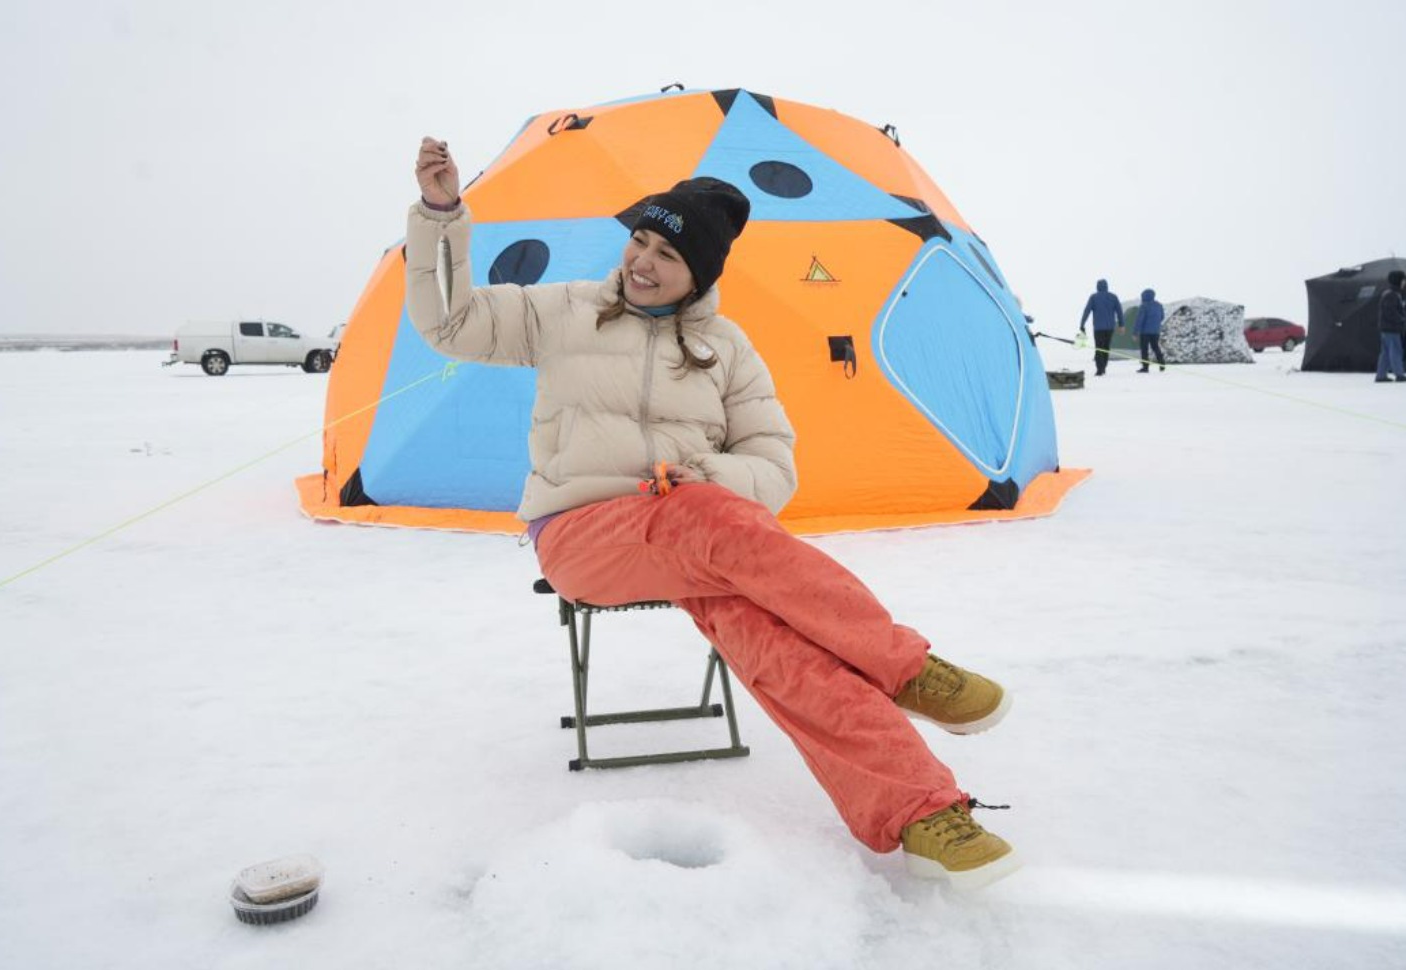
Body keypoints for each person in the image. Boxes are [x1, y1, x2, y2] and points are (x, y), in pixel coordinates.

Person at [406, 137, 1019, 890]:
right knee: (704, 520)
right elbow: (449, 322)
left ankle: (924, 811)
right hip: (581, 535)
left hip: (699, 539)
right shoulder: (562, 312)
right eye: (640, 239)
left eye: (667, 253)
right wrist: (441, 214)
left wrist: (701, 472)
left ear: (699, 275)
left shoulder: (727, 348)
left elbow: (774, 465)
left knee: (776, 641)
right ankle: (904, 666)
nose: (642, 261)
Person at [1078, 279, 1123, 375]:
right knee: (1106, 348)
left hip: (1098, 328)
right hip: (1110, 327)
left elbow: (1087, 311)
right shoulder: (1113, 297)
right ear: (1107, 286)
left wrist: (1082, 324)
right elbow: (1119, 311)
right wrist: (1121, 325)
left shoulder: (1094, 297)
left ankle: (1100, 369)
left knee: (1099, 348)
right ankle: (1103, 367)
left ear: (1097, 286)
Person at [1375, 270, 1406, 383]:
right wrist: (1402, 320)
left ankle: (1381, 375)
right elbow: (1391, 312)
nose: (1404, 282)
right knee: (1396, 351)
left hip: (1386, 328)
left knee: (1386, 352)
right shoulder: (1391, 294)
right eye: (1403, 280)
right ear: (1398, 281)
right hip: (1392, 328)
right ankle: (1399, 374)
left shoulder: (1391, 293)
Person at [1134, 288, 1166, 373]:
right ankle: (1162, 363)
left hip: (1145, 332)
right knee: (1155, 347)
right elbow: (1162, 317)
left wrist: (1135, 332)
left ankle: (1145, 367)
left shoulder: (1144, 305)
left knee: (1144, 349)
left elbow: (1139, 320)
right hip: (1156, 331)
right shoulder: (1159, 305)